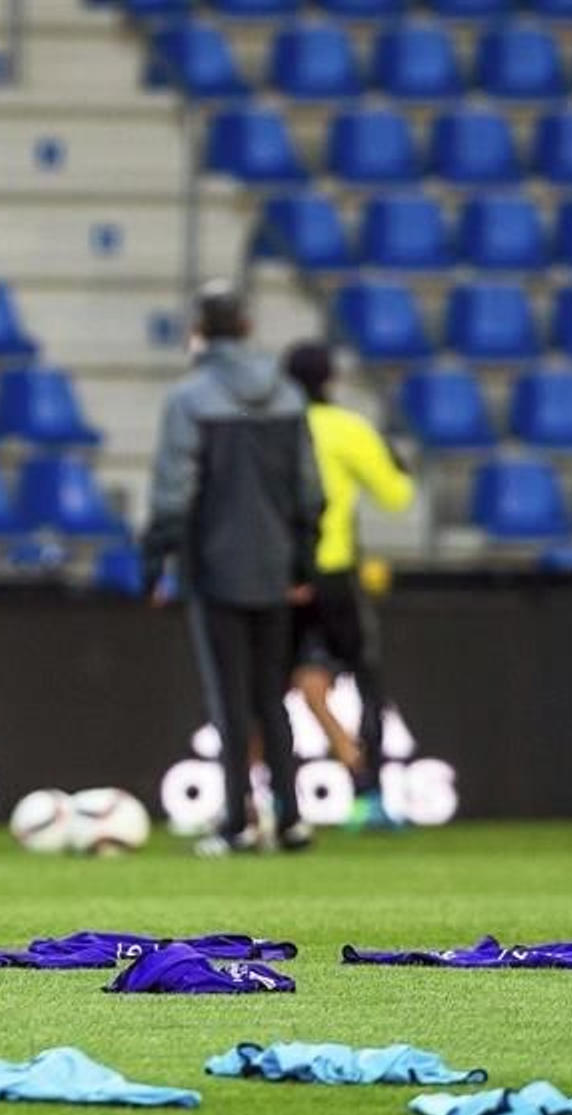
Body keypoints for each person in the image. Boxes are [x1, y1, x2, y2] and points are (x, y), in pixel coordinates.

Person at [142, 282, 324, 858]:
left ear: (201, 333)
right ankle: (291, 819)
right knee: (272, 696)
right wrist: (302, 561)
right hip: (274, 568)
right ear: (246, 328)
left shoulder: (190, 399)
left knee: (229, 700)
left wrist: (155, 561)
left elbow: (174, 492)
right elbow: (309, 492)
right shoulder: (289, 397)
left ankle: (238, 824)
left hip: (214, 567)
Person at [281, 341, 414, 832]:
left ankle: (270, 795)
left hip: (280, 576)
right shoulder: (348, 428)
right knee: (365, 681)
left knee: (276, 685)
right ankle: (369, 796)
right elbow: (396, 496)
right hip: (333, 570)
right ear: (331, 380)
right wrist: (395, 461)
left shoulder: (274, 429)